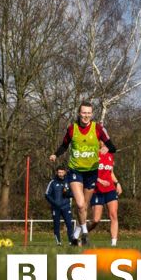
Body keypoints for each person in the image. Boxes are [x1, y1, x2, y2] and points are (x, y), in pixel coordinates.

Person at [49, 101, 116, 246]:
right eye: (83, 113)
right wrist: (55, 154)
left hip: (91, 173)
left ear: (91, 114)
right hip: (75, 171)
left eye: (88, 113)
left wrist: (107, 149)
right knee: (79, 204)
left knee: (84, 205)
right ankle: (85, 233)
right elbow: (64, 145)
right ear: (79, 113)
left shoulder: (98, 128)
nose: (86, 116)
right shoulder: (72, 129)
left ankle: (75, 235)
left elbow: (112, 146)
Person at [87, 144, 122, 246]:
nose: (104, 144)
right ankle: (83, 233)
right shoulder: (93, 155)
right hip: (97, 190)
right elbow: (88, 173)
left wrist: (117, 183)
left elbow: (111, 173)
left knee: (114, 215)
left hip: (110, 189)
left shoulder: (110, 155)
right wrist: (100, 180)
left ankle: (113, 244)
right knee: (96, 220)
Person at [44, 167, 75, 246]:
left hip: (66, 207)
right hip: (56, 208)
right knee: (56, 225)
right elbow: (47, 194)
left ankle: (71, 241)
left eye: (62, 172)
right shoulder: (53, 182)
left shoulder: (69, 181)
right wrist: (54, 203)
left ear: (64, 172)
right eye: (59, 172)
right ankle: (58, 242)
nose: (60, 174)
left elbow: (74, 193)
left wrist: (67, 193)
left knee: (69, 224)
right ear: (57, 173)